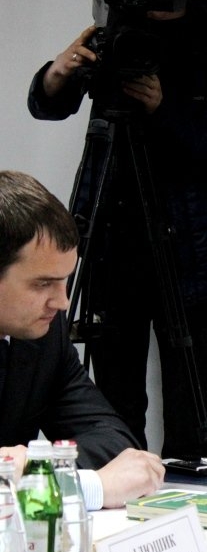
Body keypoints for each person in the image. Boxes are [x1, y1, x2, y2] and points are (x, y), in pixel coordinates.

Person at [26, 0, 207, 459]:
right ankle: (119, 492)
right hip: (111, 249)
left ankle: (188, 494)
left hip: (192, 255)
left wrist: (164, 110)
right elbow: (48, 106)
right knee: (115, 404)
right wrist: (58, 71)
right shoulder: (109, 36)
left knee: (187, 411)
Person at [0, 171, 164, 509]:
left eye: (65, 281)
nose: (62, 303)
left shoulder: (44, 335)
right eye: (43, 284)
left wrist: (34, 468)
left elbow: (113, 440)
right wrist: (89, 486)